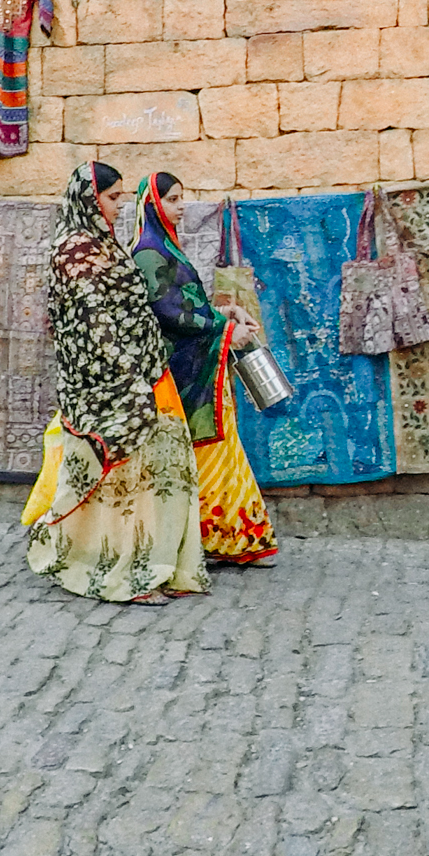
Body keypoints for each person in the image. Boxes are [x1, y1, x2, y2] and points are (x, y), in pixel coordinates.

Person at [24, 163, 209, 604]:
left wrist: (145, 364)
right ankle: (124, 571)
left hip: (145, 370)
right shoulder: (72, 252)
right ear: (90, 199)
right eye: (112, 198)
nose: (119, 207)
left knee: (162, 472)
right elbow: (91, 324)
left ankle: (159, 564)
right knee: (125, 478)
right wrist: (126, 377)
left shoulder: (105, 245)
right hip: (106, 385)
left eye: (123, 198)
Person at [131, 173, 281, 567]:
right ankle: (218, 538)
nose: (181, 207)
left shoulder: (167, 248)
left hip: (200, 363)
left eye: (183, 198)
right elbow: (169, 312)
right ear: (152, 203)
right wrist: (224, 331)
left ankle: (239, 538)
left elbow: (190, 306)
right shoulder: (149, 252)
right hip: (182, 370)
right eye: (173, 199)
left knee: (223, 448)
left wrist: (224, 314)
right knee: (208, 451)